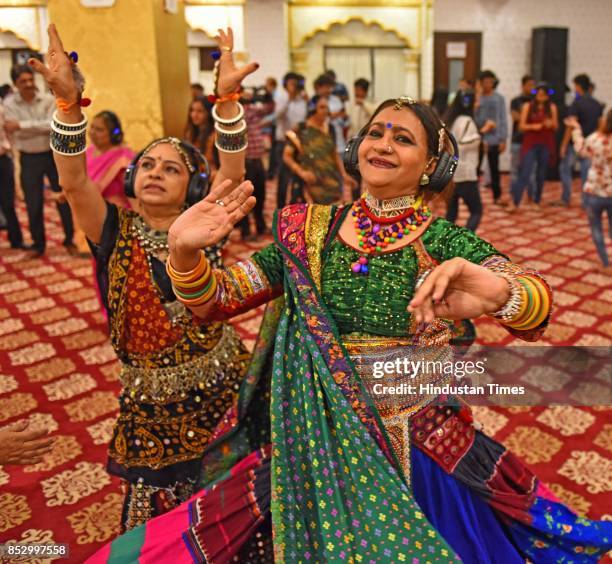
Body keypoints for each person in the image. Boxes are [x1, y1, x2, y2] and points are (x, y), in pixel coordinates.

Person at [91, 95, 611, 563]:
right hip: (315, 445)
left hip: (421, 444)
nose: (383, 143)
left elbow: (537, 307)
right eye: (376, 132)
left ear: (431, 165)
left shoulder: (445, 240)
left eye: (403, 138)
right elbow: (218, 298)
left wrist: (503, 295)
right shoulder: (307, 229)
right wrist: (184, 255)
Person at [30, 24, 258, 531]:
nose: (155, 171)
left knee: (231, 509)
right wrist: (69, 108)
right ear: (131, 179)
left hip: (220, 385)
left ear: (193, 185)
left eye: (172, 168)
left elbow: (233, 170)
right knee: (161, 528)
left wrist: (226, 100)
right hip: (150, 405)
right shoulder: (111, 227)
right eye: (147, 164)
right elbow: (72, 179)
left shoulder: (202, 225)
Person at [3, 64, 76, 257]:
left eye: (30, 80)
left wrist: (22, 126)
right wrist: (31, 127)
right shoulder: (10, 103)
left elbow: (52, 125)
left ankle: (70, 239)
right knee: (33, 202)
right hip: (29, 158)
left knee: (63, 199)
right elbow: (10, 126)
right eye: (23, 82)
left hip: (52, 156)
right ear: (15, 84)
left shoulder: (47, 99)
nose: (28, 84)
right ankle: (38, 245)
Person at [283, 95, 354, 205]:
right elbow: (286, 156)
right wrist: (301, 172)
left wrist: (344, 175)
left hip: (332, 181)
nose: (326, 111)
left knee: (335, 216)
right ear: (312, 109)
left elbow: (334, 154)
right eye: (321, 107)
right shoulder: (301, 129)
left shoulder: (330, 128)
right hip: (311, 184)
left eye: (326, 107)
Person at [565, 110, 612, 272]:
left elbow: (580, 149)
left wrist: (576, 128)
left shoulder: (595, 139)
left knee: (596, 228)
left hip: (594, 191)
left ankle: (606, 264)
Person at [555, 73, 604, 207]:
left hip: (575, 144)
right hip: (590, 146)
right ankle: (586, 201)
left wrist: (563, 145)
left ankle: (566, 198)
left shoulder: (576, 104)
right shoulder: (597, 104)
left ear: (578, 86)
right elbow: (600, 125)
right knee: (586, 173)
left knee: (565, 169)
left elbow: (571, 126)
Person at [509, 83, 558, 211]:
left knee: (541, 174)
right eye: (539, 93)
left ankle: (536, 201)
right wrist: (533, 127)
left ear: (547, 96)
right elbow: (521, 126)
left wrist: (550, 124)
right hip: (530, 143)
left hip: (546, 143)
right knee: (524, 172)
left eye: (543, 94)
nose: (541, 96)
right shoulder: (528, 106)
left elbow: (556, 126)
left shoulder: (551, 108)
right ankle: (515, 202)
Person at [237, 86, 273, 239]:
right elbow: (265, 108)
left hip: (257, 159)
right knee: (245, 198)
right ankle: (245, 231)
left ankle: (260, 227)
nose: (248, 95)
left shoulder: (253, 109)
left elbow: (270, 107)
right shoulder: (238, 112)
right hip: (245, 161)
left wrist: (266, 93)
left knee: (260, 195)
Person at [445, 89, 482, 231]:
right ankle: (465, 241)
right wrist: (479, 137)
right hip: (464, 172)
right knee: (476, 211)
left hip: (451, 172)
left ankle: (445, 242)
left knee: (452, 212)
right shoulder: (467, 121)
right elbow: (463, 144)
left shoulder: (452, 120)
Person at [86, 110, 134, 209]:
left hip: (114, 213)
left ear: (114, 134)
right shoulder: (90, 150)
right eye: (92, 127)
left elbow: (134, 195)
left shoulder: (124, 159)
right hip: (91, 209)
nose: (92, 133)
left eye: (99, 130)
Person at [273, 71, 308, 208]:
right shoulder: (281, 99)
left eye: (296, 84)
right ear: (285, 85)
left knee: (298, 178)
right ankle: (280, 209)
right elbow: (278, 116)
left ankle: (295, 208)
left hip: (300, 143)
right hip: (284, 143)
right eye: (291, 84)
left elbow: (305, 120)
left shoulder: (303, 101)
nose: (294, 87)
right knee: (283, 179)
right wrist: (289, 99)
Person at [475, 70, 508, 205]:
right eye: (486, 82)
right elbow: (472, 118)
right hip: (478, 137)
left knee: (494, 169)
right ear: (481, 83)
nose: (488, 84)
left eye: (491, 82)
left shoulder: (499, 98)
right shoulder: (477, 98)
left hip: (495, 138)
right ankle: (473, 198)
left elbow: (503, 119)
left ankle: (497, 196)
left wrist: (503, 139)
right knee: (475, 169)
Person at [0, 91, 24, 248]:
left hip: (3, 159)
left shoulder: (2, 106)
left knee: (8, 203)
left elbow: (8, 131)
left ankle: (16, 240)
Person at [510, 74, 536, 198]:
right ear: (523, 86)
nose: (532, 87)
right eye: (529, 85)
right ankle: (514, 194)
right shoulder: (515, 101)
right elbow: (515, 117)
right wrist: (529, 120)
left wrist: (526, 120)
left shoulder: (536, 102)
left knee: (531, 171)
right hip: (517, 139)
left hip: (532, 141)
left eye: (533, 85)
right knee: (515, 170)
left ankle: (531, 195)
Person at [312, 73, 347, 157]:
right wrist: (330, 116)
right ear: (318, 87)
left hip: (339, 144)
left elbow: (343, 118)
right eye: (326, 87)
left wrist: (342, 116)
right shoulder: (313, 102)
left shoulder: (336, 100)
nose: (329, 90)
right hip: (321, 144)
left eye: (330, 87)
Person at [184, 95, 216, 170]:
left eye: (200, 111)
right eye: (192, 110)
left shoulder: (215, 135)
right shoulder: (190, 132)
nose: (194, 115)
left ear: (209, 113)